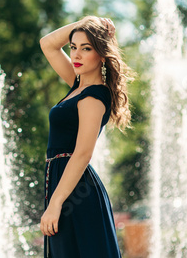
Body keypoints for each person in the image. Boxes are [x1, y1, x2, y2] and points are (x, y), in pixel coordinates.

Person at [39, 15, 133, 257]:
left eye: (86, 48)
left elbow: (82, 154)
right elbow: (47, 44)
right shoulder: (77, 86)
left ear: (101, 54)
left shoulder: (94, 96)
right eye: (73, 48)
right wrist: (85, 23)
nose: (76, 56)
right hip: (62, 182)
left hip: (74, 191)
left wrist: (56, 203)